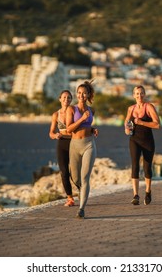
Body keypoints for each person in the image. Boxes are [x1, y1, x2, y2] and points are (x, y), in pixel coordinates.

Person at [66, 80, 98, 219]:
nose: (81, 95)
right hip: (74, 145)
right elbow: (69, 129)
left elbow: (88, 125)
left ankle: (81, 209)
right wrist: (82, 119)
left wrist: (92, 129)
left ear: (88, 95)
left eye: (84, 93)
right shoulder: (71, 109)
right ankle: (82, 190)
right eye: (79, 93)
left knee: (85, 178)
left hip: (89, 144)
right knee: (75, 177)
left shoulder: (92, 110)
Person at [124, 85, 160, 205]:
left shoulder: (149, 107)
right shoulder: (130, 109)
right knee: (135, 165)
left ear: (144, 94)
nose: (139, 96)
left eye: (141, 93)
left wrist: (141, 122)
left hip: (147, 140)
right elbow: (126, 125)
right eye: (137, 93)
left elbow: (157, 124)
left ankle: (148, 191)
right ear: (133, 95)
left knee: (147, 168)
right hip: (134, 140)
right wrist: (127, 128)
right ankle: (135, 195)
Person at [49, 90, 75, 207]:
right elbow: (51, 132)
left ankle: (82, 192)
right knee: (64, 172)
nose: (66, 99)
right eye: (64, 97)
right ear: (60, 99)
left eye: (69, 98)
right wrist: (55, 135)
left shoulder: (75, 111)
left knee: (75, 173)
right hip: (62, 142)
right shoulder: (56, 115)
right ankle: (70, 198)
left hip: (74, 142)